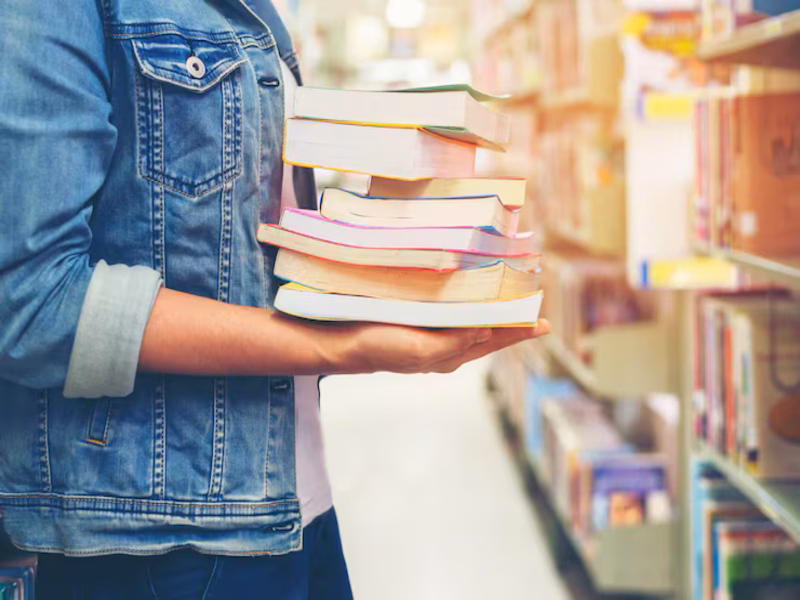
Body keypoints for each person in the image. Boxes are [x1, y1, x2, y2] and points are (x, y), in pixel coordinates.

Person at [0, 0, 550, 598]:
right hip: (162, 535)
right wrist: (339, 346)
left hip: (293, 502)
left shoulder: (257, 15)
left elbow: (240, 256)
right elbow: (34, 301)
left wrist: (387, 263)